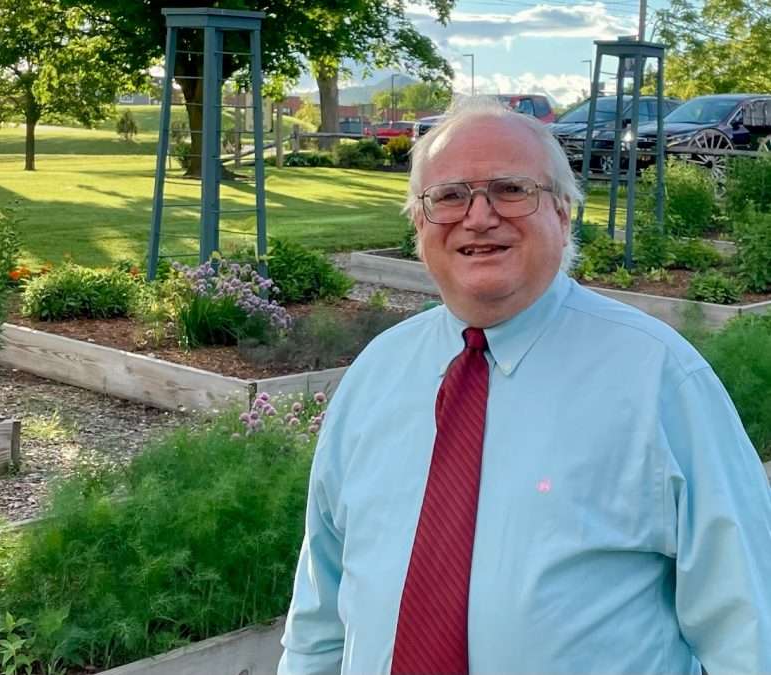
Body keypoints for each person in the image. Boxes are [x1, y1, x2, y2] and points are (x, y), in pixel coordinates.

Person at [277, 97, 771, 675]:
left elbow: (747, 626)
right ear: (419, 222)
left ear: (564, 214)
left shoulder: (660, 380)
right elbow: (320, 610)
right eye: (450, 196)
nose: (479, 216)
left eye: (511, 190)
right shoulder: (374, 376)